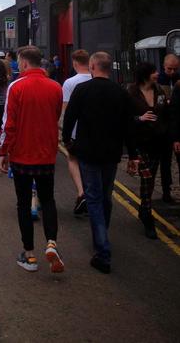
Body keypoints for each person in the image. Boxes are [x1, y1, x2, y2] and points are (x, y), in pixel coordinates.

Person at [62, 52, 138, 274]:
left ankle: (102, 250)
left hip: (87, 152)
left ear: (93, 66)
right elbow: (128, 127)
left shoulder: (82, 90)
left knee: (93, 198)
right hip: (111, 154)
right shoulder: (120, 93)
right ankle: (102, 236)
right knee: (105, 197)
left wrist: (68, 141)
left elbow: (69, 118)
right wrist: (133, 154)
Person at [0, 46, 64, 274]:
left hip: (22, 156)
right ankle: (52, 243)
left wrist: (2, 152)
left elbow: (10, 124)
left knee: (24, 203)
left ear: (24, 63)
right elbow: (55, 116)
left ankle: (29, 255)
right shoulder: (56, 87)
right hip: (46, 154)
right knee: (48, 200)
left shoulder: (16, 87)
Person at [127, 62, 169, 239]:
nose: (157, 74)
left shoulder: (159, 91)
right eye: (154, 72)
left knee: (150, 178)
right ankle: (147, 215)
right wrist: (139, 118)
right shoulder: (131, 92)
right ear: (145, 74)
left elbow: (165, 112)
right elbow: (125, 116)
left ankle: (144, 207)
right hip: (140, 142)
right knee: (147, 178)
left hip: (156, 142)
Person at [61, 49, 92, 215]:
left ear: (74, 62)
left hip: (75, 131)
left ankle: (81, 192)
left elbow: (65, 110)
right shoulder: (96, 78)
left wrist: (62, 132)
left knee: (73, 159)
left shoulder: (70, 82)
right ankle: (92, 194)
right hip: (94, 131)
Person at [157, 53, 180, 202]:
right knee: (165, 162)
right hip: (164, 127)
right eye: (169, 69)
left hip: (176, 124)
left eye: (175, 69)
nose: (172, 72)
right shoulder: (158, 80)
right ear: (164, 66)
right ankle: (166, 192)